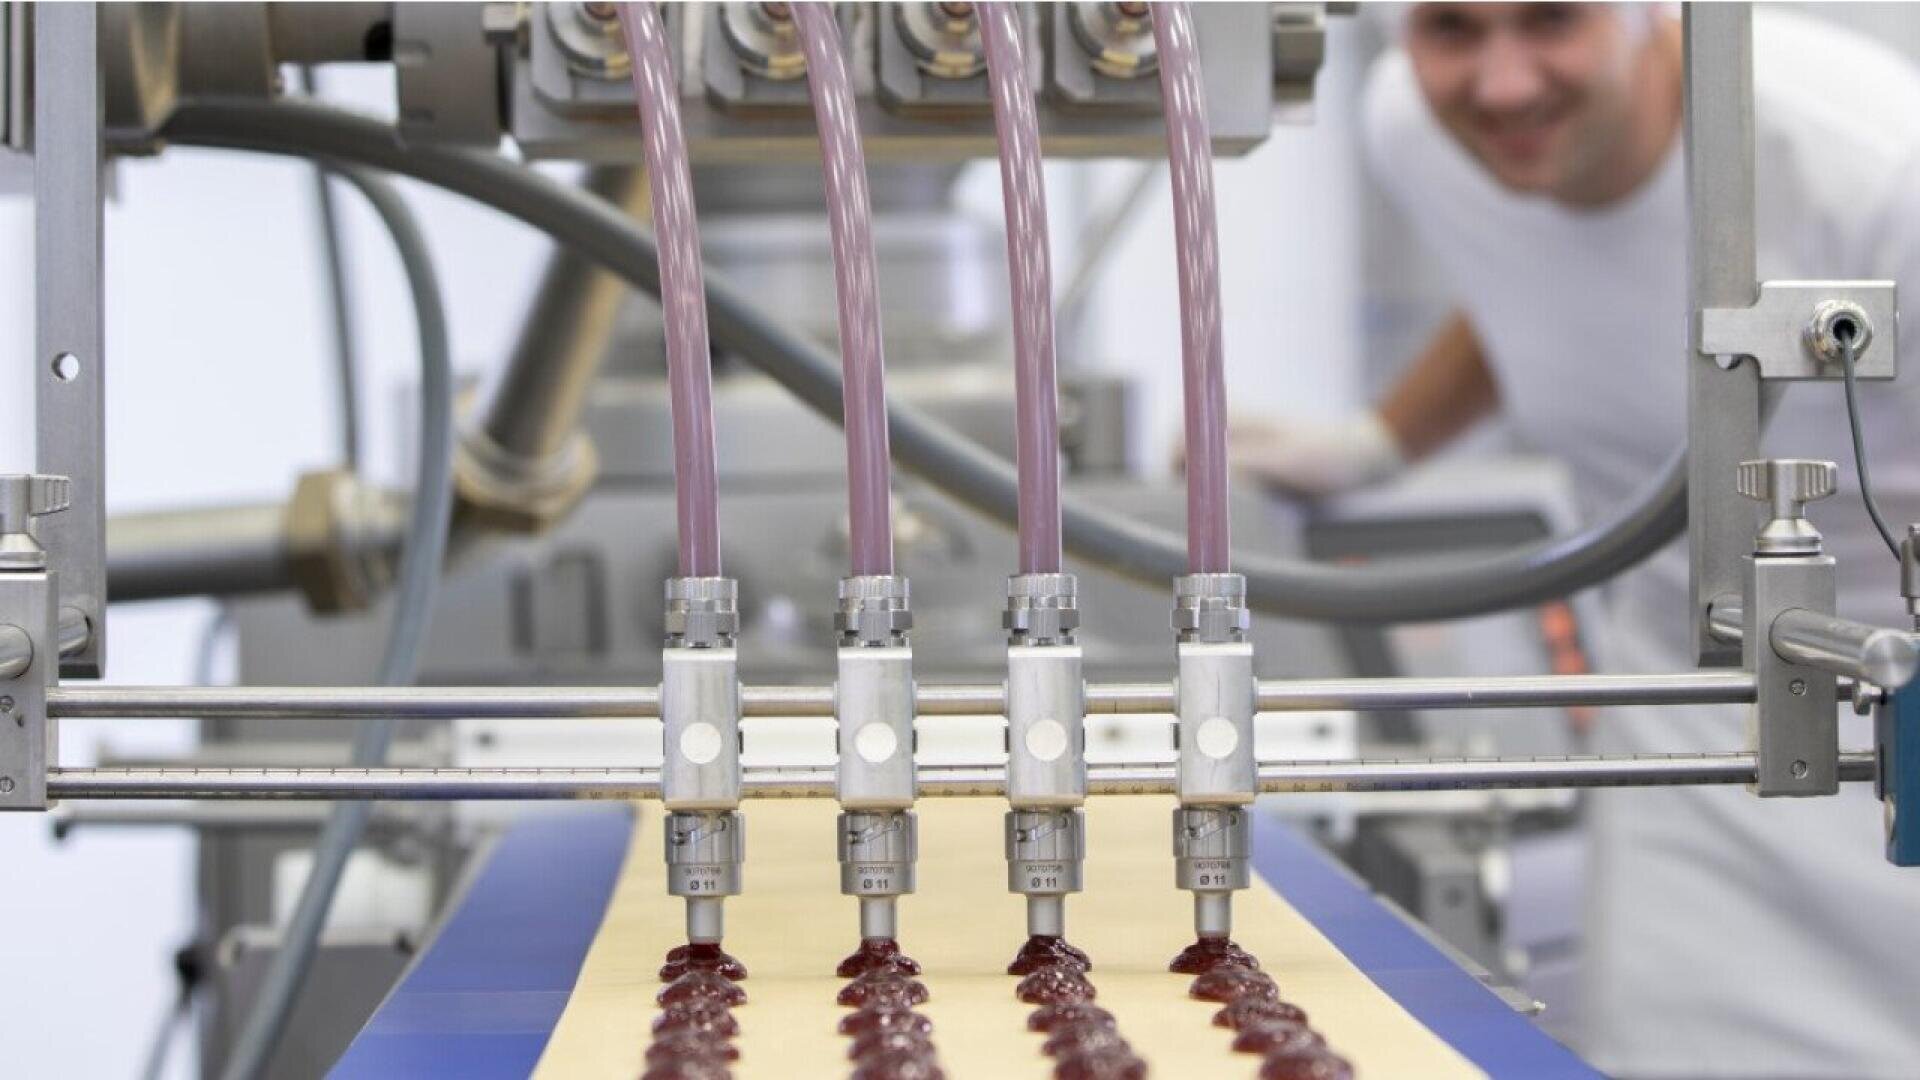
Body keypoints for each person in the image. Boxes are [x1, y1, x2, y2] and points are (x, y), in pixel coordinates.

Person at [1229, 4, 1920, 1076]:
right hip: (1691, 713)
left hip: (1895, 696)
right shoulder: (1418, 127)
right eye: (1451, 30)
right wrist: (1382, 441)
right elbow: (1526, 281)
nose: (1503, 85)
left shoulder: (1871, 167)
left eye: (1552, 18)